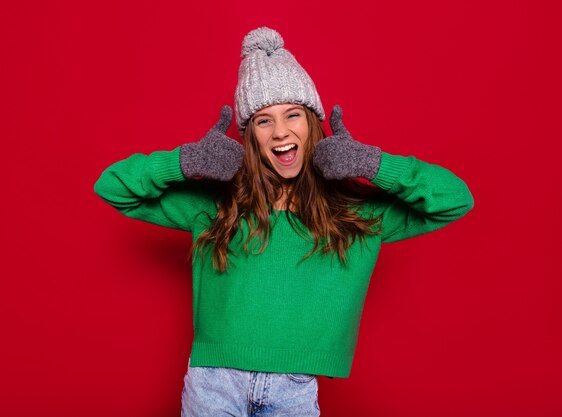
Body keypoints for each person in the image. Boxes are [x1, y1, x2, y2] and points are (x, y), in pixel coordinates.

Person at [94, 27, 473, 417]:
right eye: (262, 121)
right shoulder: (216, 206)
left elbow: (454, 199)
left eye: (292, 114)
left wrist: (372, 164)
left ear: (311, 123)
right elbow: (112, 187)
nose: (280, 132)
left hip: (294, 388)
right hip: (213, 383)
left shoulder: (355, 215)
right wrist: (185, 161)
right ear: (251, 136)